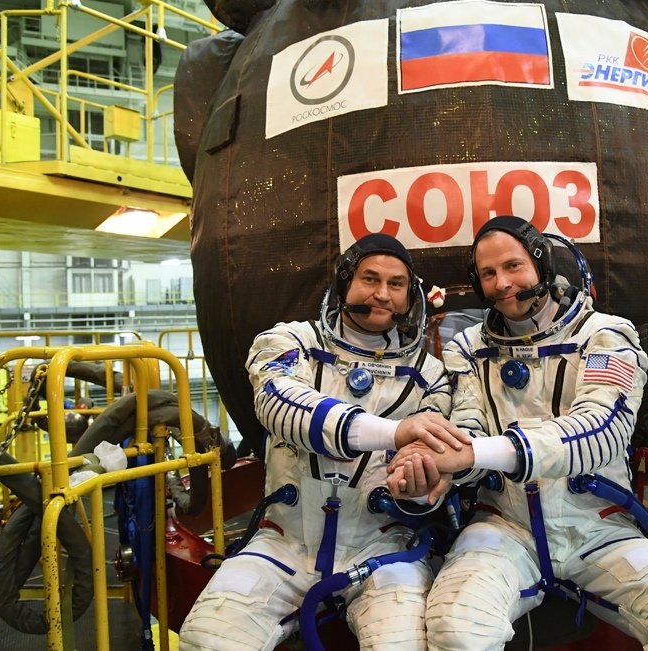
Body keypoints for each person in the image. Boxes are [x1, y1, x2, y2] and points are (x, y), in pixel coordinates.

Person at [387, 216, 648, 650]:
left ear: (542, 263)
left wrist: (476, 453)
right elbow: (467, 430)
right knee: (456, 629)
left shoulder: (605, 336)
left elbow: (601, 429)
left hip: (600, 529)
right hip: (506, 527)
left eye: (513, 266)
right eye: (488, 273)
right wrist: (435, 468)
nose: (502, 283)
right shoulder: (468, 349)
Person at [179, 233, 469, 651]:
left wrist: (418, 489)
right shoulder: (290, 342)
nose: (382, 294)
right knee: (208, 640)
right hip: (284, 544)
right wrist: (392, 432)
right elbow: (279, 404)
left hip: (381, 548)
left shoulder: (430, 375)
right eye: (370, 279)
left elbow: (428, 469)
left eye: (396, 284)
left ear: (410, 297)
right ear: (344, 283)